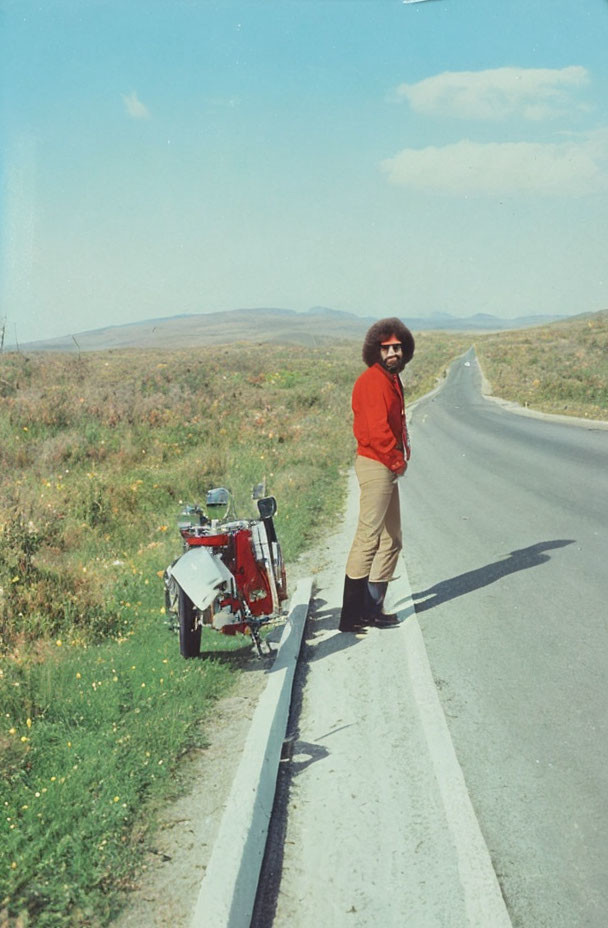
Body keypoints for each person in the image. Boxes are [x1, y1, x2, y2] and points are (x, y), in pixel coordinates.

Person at [339, 317, 415, 632]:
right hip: (376, 464)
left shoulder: (391, 379)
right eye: (387, 349)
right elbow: (376, 431)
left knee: (392, 538)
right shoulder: (372, 380)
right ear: (376, 351)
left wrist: (397, 459)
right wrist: (397, 462)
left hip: (385, 463)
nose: (393, 353)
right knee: (369, 537)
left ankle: (372, 607)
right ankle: (351, 616)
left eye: (398, 347)